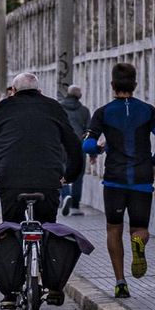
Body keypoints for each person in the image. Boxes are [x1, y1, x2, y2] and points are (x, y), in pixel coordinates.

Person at [0, 71, 84, 310]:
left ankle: (10, 294)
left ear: (13, 91)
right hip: (48, 181)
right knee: (46, 229)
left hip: (11, 182)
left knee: (11, 229)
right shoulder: (53, 107)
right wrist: (69, 176)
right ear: (39, 91)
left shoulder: (4, 108)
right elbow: (74, 145)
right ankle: (53, 286)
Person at [84, 62, 155, 299]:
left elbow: (87, 144)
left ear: (112, 85)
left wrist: (99, 150)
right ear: (135, 84)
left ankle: (120, 282)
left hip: (115, 180)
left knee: (114, 227)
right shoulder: (148, 110)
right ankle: (138, 243)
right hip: (141, 178)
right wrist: (153, 162)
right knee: (140, 228)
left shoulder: (103, 112)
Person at [58, 85, 92, 216]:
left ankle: (66, 195)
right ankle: (75, 205)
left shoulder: (59, 108)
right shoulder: (84, 111)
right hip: (79, 145)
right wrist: (93, 153)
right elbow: (89, 131)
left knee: (61, 171)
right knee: (78, 174)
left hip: (61, 144)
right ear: (80, 96)